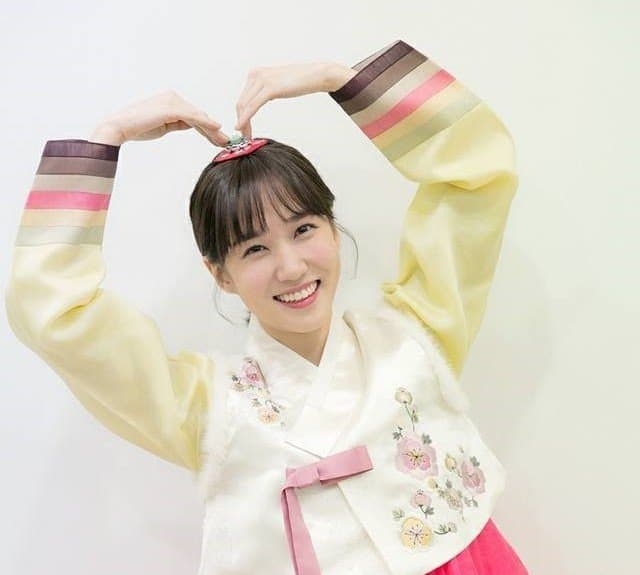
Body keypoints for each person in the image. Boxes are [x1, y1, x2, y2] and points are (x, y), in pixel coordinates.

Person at [5, 39, 528, 574]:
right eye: (255, 249)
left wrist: (340, 79)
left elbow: (478, 174)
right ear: (220, 274)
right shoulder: (203, 407)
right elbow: (51, 314)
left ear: (332, 228)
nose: (291, 267)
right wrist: (105, 138)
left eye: (303, 230)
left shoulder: (417, 333)